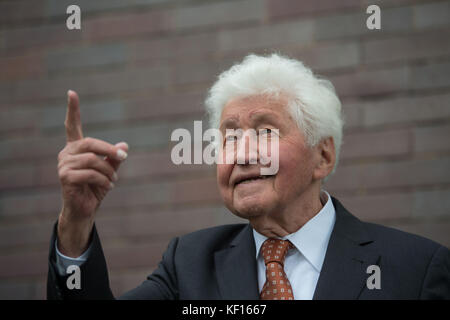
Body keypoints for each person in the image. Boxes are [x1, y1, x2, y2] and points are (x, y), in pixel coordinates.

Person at [47, 54, 449, 300]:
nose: (241, 152)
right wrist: (76, 224)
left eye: (265, 132)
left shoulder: (416, 269)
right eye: (229, 137)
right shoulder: (188, 265)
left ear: (323, 156)